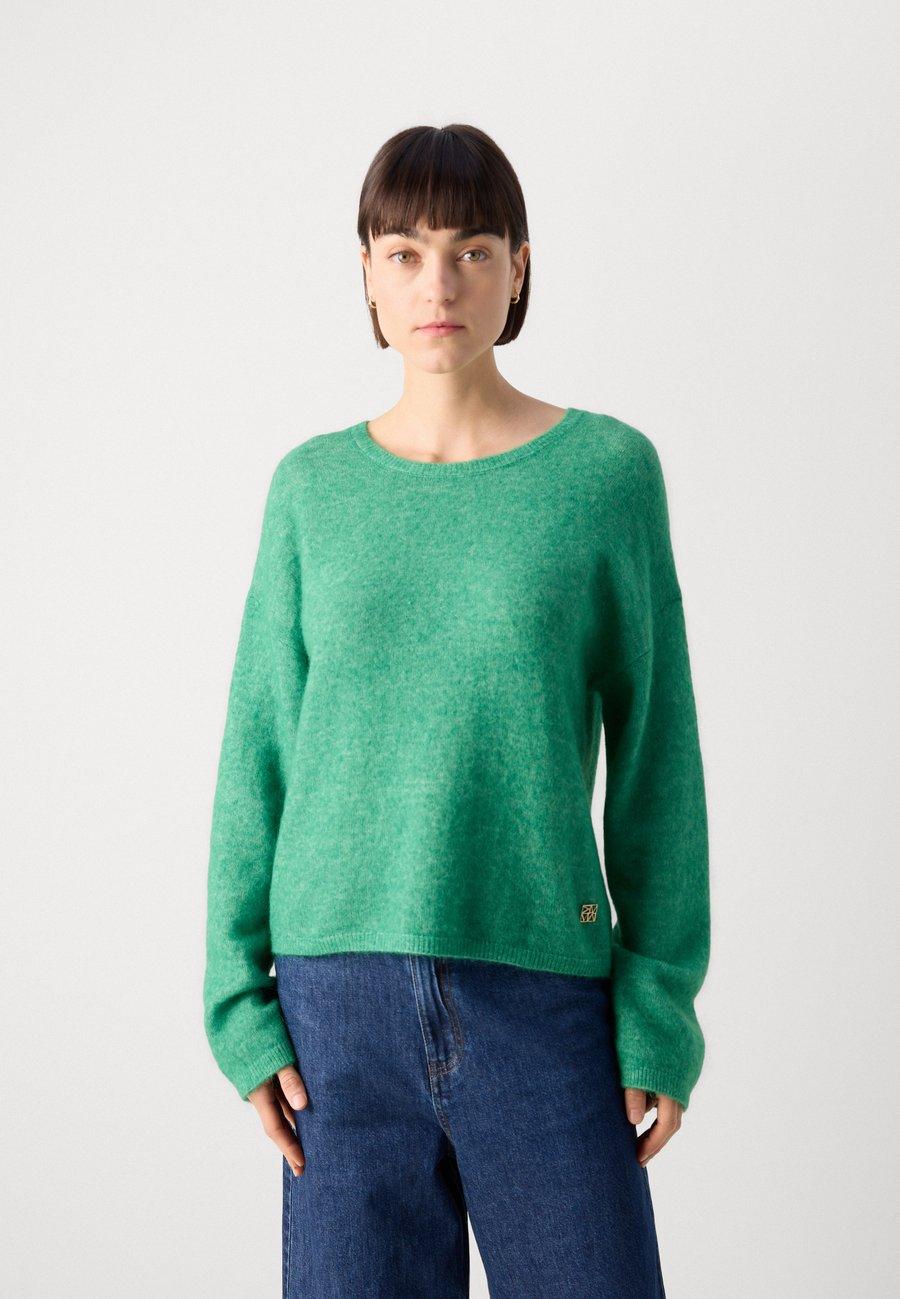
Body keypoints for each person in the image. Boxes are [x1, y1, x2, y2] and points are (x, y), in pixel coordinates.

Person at [203, 123, 710, 1298]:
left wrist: (657, 1005)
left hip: (542, 993)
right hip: (334, 1015)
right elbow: (259, 747)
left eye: (473, 250)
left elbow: (658, 753)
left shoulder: (604, 476)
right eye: (406, 253)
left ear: (519, 269)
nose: (439, 285)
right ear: (368, 276)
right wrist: (238, 1007)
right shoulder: (313, 490)